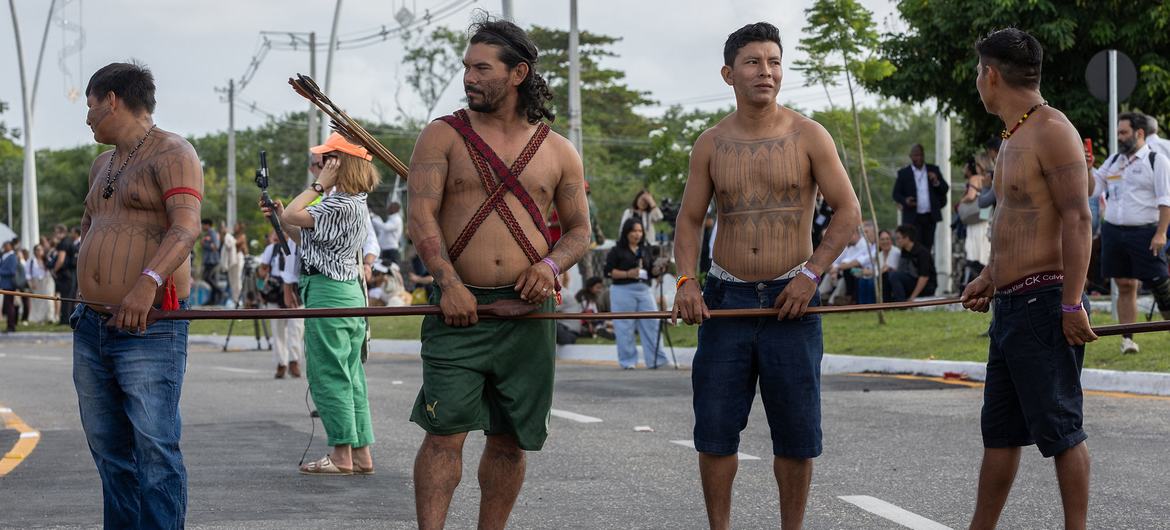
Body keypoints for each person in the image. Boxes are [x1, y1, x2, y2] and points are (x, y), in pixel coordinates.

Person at [671, 22, 861, 530]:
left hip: (791, 301)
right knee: (714, 432)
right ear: (729, 73)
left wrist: (812, 275)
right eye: (753, 61)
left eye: (774, 60)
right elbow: (689, 220)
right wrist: (686, 282)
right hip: (726, 298)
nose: (766, 71)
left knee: (797, 436)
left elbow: (848, 212)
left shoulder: (809, 135)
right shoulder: (709, 144)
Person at [406, 18, 591, 529]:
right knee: (444, 435)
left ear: (518, 73)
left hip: (528, 315)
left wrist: (550, 264)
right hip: (457, 310)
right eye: (466, 67)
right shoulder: (441, 135)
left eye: (481, 68)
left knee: (510, 440)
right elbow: (419, 217)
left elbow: (579, 232)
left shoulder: (558, 150)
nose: (468, 77)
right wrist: (448, 284)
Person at [960, 28, 1097, 530]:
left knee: (1062, 429)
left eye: (979, 73)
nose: (979, 82)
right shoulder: (1014, 134)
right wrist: (990, 275)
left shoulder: (1052, 129)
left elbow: (1078, 219)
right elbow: (1016, 221)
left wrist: (1071, 303)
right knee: (999, 433)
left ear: (991, 75)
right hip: (1011, 307)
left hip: (1044, 304)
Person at [72, 61, 203, 528]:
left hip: (150, 327)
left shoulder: (173, 153)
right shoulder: (101, 163)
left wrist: (145, 282)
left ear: (111, 100)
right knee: (109, 450)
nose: (87, 118)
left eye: (90, 106)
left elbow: (187, 227)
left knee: (155, 449)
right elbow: (90, 224)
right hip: (91, 327)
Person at [266, 132, 380, 475]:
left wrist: (317, 187)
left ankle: (341, 454)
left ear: (339, 165)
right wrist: (283, 215)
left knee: (328, 373)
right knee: (351, 374)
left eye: (328, 161)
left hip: (329, 292)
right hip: (347, 291)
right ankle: (360, 453)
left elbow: (298, 218)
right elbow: (308, 238)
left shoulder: (336, 202)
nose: (321, 165)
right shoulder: (354, 203)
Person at [1088, 112, 1170, 354]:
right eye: (1119, 133)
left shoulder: (1156, 161)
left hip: (1145, 233)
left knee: (1161, 286)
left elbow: (1166, 201)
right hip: (1114, 232)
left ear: (1139, 133)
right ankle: (1127, 339)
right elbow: (1092, 189)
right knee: (1124, 284)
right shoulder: (1114, 160)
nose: (1120, 137)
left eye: (1124, 133)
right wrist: (1087, 167)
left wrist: (1161, 233)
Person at [605, 218, 671, 369]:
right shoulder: (617, 250)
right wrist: (628, 273)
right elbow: (608, 272)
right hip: (623, 290)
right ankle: (628, 362)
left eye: (640, 231)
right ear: (627, 232)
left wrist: (658, 268)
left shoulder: (645, 249)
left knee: (652, 323)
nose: (637, 234)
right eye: (634, 231)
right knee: (624, 326)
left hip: (644, 290)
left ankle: (657, 360)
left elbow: (649, 272)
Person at [258, 231, 303, 379]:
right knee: (277, 330)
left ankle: (294, 361)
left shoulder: (298, 245)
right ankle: (281, 362)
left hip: (295, 289)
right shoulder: (272, 249)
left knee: (296, 328)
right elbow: (262, 268)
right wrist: (264, 276)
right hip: (275, 291)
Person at [892, 143, 949, 252]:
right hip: (912, 216)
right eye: (915, 155)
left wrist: (936, 181)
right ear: (910, 156)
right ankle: (914, 268)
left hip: (929, 216)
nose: (918, 158)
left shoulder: (933, 170)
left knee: (928, 245)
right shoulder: (904, 173)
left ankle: (926, 268)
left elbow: (945, 189)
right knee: (913, 245)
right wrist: (905, 201)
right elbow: (896, 194)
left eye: (920, 155)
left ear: (923, 155)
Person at [886, 224, 936, 301]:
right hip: (912, 282)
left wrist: (912, 298)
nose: (896, 241)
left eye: (898, 238)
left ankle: (901, 304)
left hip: (925, 287)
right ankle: (886, 303)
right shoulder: (904, 251)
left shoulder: (922, 253)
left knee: (894, 276)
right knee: (888, 275)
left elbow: (924, 278)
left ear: (907, 238)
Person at [54, 226, 81, 325]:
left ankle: (65, 320)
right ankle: (69, 318)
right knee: (70, 297)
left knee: (65, 297)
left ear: (61, 233)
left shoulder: (63, 243)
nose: (55, 235)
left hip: (65, 274)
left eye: (56, 233)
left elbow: (61, 260)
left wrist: (54, 270)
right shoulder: (70, 242)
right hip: (72, 273)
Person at [27, 243, 55, 324]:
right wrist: (31, 283)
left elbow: (51, 267)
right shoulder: (31, 261)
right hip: (36, 282)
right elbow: (28, 274)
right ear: (35, 251)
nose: (40, 252)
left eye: (41, 250)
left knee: (49, 299)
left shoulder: (47, 260)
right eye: (38, 250)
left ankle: (50, 317)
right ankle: (39, 318)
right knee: (38, 300)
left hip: (47, 281)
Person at [371, 202, 404, 266]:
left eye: (390, 207)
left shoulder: (397, 219)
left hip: (391, 251)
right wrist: (376, 217)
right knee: (384, 271)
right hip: (386, 250)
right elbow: (381, 230)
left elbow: (385, 227)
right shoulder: (391, 219)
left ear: (394, 209)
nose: (387, 208)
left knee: (394, 270)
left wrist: (374, 219)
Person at [221, 223, 243, 307]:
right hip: (232, 262)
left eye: (236, 226)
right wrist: (225, 234)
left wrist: (227, 234)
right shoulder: (232, 236)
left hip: (237, 260)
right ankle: (235, 299)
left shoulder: (241, 236)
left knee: (237, 281)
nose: (234, 228)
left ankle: (239, 299)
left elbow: (234, 243)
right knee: (232, 281)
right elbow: (226, 243)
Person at [0, 240, 20, 332]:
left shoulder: (12, 257)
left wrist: (1, 271)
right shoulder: (5, 256)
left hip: (10, 284)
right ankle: (10, 325)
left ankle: (11, 326)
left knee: (9, 305)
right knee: (7, 305)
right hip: (5, 284)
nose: (4, 247)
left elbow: (12, 271)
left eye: (6, 245)